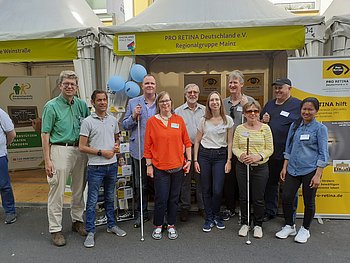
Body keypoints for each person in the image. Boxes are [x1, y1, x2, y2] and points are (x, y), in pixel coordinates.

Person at [41, 70, 90, 246]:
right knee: (57, 190)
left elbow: (88, 127)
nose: (69, 87)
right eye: (66, 84)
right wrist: (47, 160)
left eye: (73, 84)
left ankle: (77, 220)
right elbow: (45, 134)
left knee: (79, 189)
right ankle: (55, 229)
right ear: (60, 85)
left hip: (80, 150)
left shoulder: (81, 105)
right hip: (60, 150)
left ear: (77, 87)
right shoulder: (51, 106)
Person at [276, 97, 328, 244]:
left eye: (310, 109)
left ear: (316, 111)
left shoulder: (320, 129)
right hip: (292, 168)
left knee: (309, 201)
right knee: (286, 197)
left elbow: (323, 154)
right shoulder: (295, 125)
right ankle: (289, 225)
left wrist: (318, 175)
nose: (306, 112)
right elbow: (288, 148)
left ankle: (305, 229)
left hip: (310, 170)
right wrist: (284, 167)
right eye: (304, 109)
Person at [79, 90, 127, 248]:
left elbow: (116, 140)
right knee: (92, 201)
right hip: (95, 167)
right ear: (93, 102)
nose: (102, 102)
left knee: (109, 198)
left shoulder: (113, 120)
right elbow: (82, 147)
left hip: (112, 166)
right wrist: (101, 152)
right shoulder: (87, 122)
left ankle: (111, 225)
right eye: (99, 100)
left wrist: (118, 153)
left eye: (104, 99)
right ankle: (91, 231)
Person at [144, 91, 192, 240]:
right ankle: (158, 225)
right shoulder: (152, 121)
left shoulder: (179, 120)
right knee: (161, 198)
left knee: (174, 198)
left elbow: (187, 142)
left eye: (167, 101)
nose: (165, 104)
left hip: (178, 167)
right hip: (160, 168)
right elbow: (147, 146)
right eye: (162, 101)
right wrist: (149, 165)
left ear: (171, 103)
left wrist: (189, 160)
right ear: (158, 104)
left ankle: (171, 224)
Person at [261, 78, 301, 222]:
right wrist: (264, 121)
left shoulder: (297, 105)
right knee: (270, 184)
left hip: (288, 154)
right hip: (271, 153)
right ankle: (270, 211)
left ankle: (289, 216)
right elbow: (260, 124)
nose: (277, 91)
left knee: (289, 187)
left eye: (280, 88)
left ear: (289, 88)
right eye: (276, 88)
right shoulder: (269, 104)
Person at [194, 91, 234, 232]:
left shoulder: (227, 120)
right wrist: (195, 160)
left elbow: (230, 142)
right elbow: (197, 141)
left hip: (220, 156)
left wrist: (229, 160)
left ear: (220, 103)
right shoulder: (203, 120)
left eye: (217, 99)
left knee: (217, 190)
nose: (215, 102)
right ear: (208, 103)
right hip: (204, 156)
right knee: (206, 188)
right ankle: (209, 217)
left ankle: (217, 215)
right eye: (212, 100)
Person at [233, 101, 273, 238]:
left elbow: (270, 149)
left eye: (255, 111)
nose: (253, 114)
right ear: (244, 114)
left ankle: (258, 225)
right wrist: (241, 155)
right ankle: (245, 223)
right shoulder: (239, 129)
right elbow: (235, 147)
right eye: (249, 111)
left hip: (260, 168)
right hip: (243, 167)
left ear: (259, 113)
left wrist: (258, 157)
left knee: (258, 198)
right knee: (244, 197)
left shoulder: (265, 128)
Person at [122, 74, 157, 228]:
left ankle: (160, 212)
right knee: (140, 184)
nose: (149, 85)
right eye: (146, 83)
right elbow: (124, 125)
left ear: (156, 86)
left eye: (152, 83)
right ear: (142, 86)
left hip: (159, 151)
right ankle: (141, 213)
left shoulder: (162, 101)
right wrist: (134, 115)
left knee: (158, 183)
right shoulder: (133, 102)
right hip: (139, 149)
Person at [222, 70, 255, 221]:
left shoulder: (249, 101)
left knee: (244, 179)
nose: (232, 85)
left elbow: (256, 120)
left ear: (242, 84)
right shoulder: (223, 103)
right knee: (229, 180)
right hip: (227, 146)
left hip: (244, 148)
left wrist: (245, 106)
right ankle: (230, 208)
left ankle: (245, 208)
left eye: (235, 82)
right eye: (230, 82)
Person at [175, 83, 205, 221]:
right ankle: (185, 207)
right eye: (190, 92)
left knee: (201, 179)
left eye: (195, 92)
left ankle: (202, 207)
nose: (192, 94)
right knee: (185, 180)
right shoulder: (178, 111)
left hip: (201, 149)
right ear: (185, 94)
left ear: (198, 94)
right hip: (184, 150)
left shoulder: (205, 110)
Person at [0, 107, 17, 224]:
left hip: (0, 155)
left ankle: (10, 211)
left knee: (4, 185)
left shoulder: (0, 113)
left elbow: (11, 133)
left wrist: (4, 145)